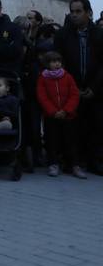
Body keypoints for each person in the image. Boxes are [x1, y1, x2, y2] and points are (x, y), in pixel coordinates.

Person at [54, 0, 103, 174]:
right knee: (73, 128)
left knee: (96, 126)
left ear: (88, 13)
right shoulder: (62, 35)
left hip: (95, 90)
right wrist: (72, 88)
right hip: (71, 90)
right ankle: (74, 161)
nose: (74, 15)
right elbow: (59, 62)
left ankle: (95, 162)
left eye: (78, 11)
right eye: (72, 12)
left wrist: (94, 88)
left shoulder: (99, 34)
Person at [36, 50, 85, 178]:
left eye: (58, 61)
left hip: (68, 116)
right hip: (51, 117)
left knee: (70, 141)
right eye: (53, 62)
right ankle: (53, 164)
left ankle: (74, 165)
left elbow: (74, 94)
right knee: (52, 141)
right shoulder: (43, 78)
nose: (56, 64)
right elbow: (42, 96)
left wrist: (66, 110)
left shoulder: (67, 76)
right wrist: (53, 111)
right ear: (47, 64)